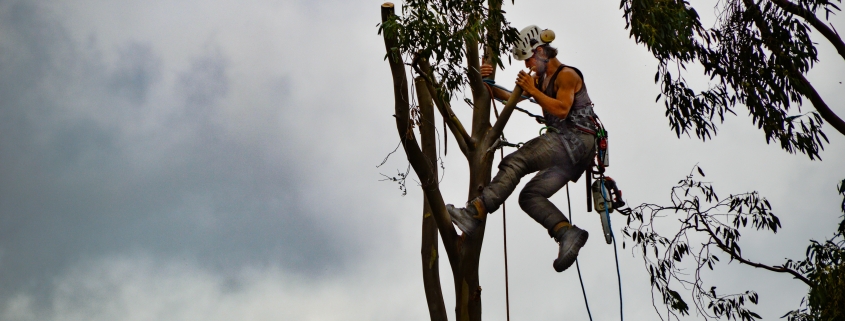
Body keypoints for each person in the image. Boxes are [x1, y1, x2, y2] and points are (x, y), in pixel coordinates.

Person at [447, 25, 600, 272]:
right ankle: (566, 233)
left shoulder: (567, 75)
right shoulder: (540, 81)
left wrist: (531, 89)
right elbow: (510, 97)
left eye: (529, 58)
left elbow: (561, 109)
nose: (528, 65)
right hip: (571, 153)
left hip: (574, 139)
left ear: (540, 51)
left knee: (517, 161)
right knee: (529, 196)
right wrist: (484, 81)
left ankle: (475, 212)